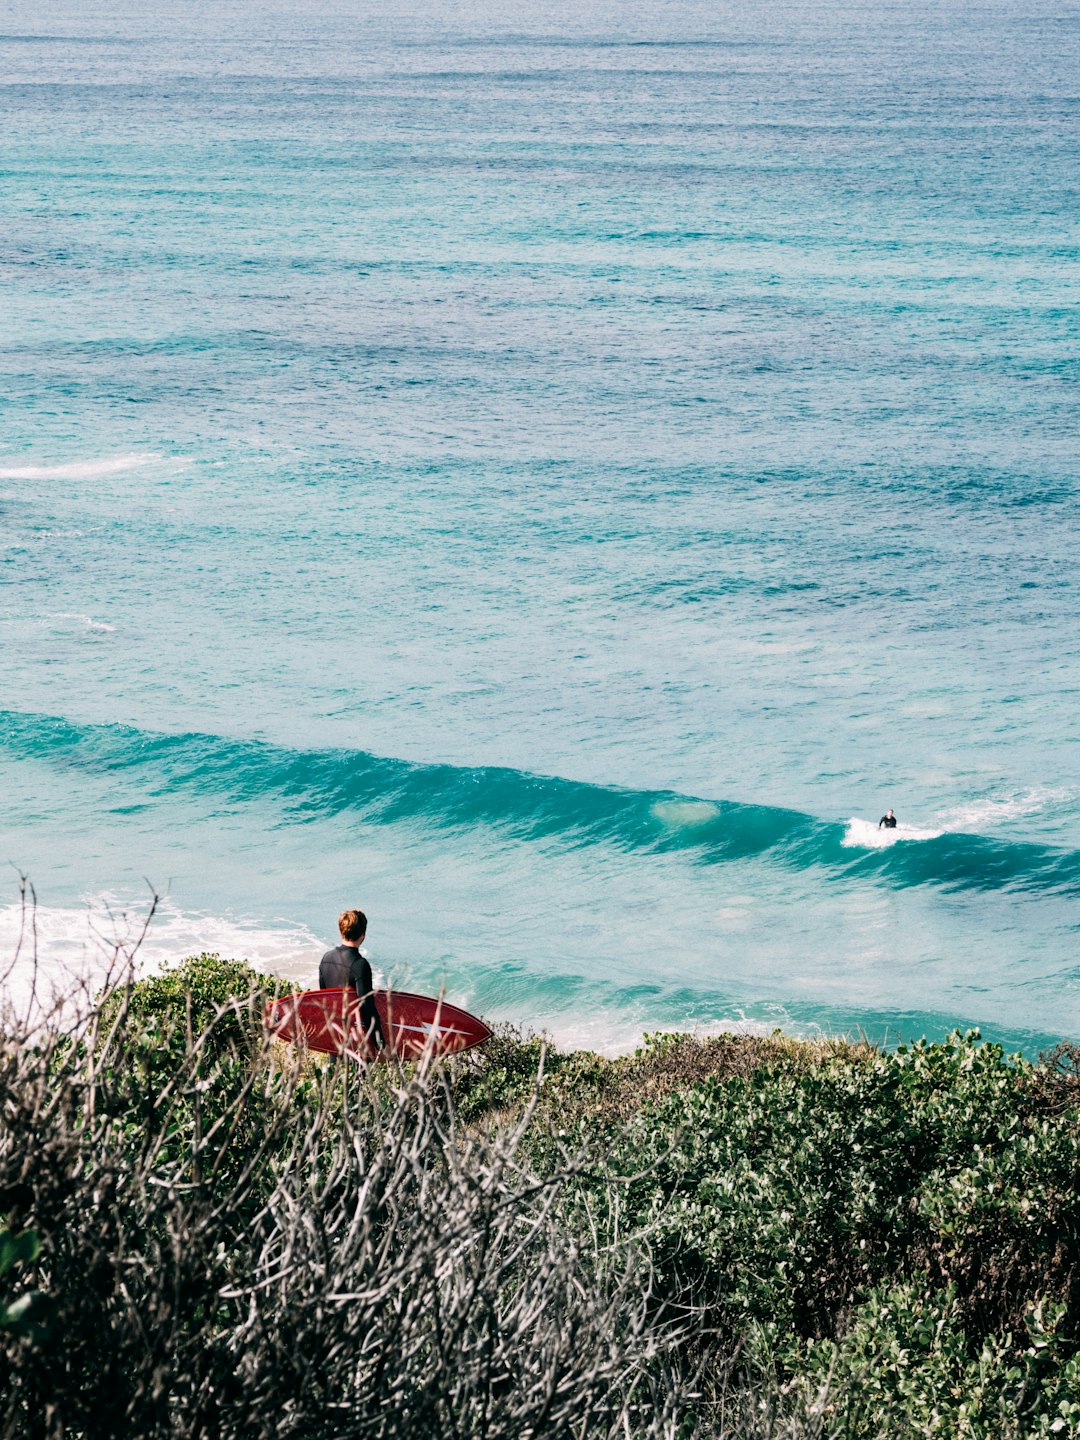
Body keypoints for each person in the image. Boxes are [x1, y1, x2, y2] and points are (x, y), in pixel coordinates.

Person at [318, 908, 386, 1052]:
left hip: (335, 1041)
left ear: (340, 931)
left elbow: (324, 999)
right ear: (363, 934)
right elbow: (367, 1007)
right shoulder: (360, 965)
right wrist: (381, 1044)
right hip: (355, 1044)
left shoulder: (326, 959)